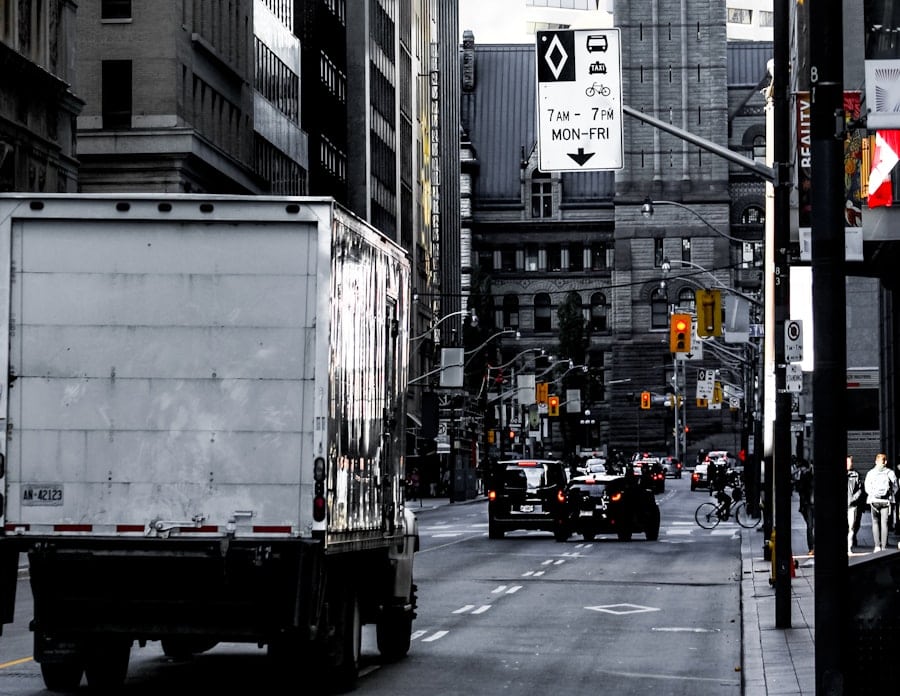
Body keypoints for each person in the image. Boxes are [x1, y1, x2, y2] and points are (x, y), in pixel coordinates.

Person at [864, 453, 897, 552]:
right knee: (884, 523)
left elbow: (867, 487)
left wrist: (873, 494)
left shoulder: (870, 473)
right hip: (885, 501)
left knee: (875, 522)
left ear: (875, 462)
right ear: (885, 462)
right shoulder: (890, 472)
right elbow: (896, 485)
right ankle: (884, 547)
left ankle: (877, 546)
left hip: (874, 501)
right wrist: (891, 494)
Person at [793, 459, 814, 555]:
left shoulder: (807, 475)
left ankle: (812, 547)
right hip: (808, 504)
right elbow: (800, 490)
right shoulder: (805, 475)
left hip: (809, 504)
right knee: (810, 526)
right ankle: (812, 547)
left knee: (810, 526)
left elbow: (801, 490)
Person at [847, 455, 863, 553]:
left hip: (852, 505)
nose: (848, 464)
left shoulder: (856, 475)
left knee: (851, 526)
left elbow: (860, 489)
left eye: (850, 462)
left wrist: (854, 498)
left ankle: (849, 546)